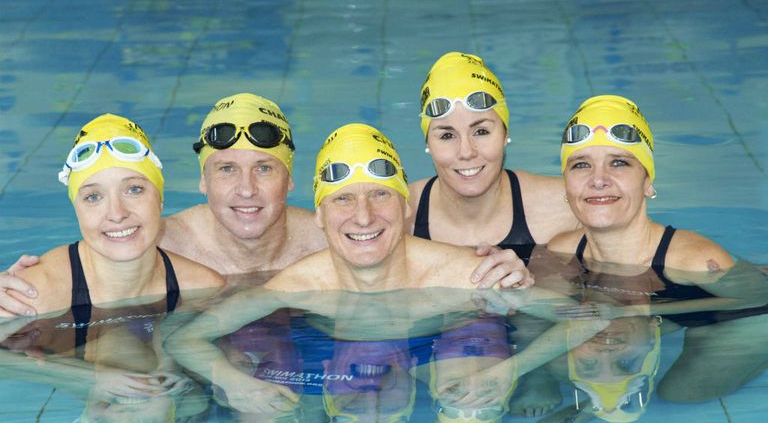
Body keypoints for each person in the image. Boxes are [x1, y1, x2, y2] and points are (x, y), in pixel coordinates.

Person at [165, 123, 607, 421]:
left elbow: (591, 320)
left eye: (379, 196)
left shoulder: (463, 271)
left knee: (472, 410)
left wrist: (512, 370)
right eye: (343, 199)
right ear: (319, 216)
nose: (362, 217)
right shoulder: (299, 284)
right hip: (329, 353)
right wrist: (231, 382)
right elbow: (184, 337)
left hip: (450, 336)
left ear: (406, 206)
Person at [0, 93, 533, 316]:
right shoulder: (155, 238)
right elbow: (93, 250)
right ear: (201, 182)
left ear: (292, 182)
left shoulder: (336, 231)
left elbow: (415, 257)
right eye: (226, 170)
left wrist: (508, 268)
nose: (246, 189)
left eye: (264, 169)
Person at [546, 94, 768, 405]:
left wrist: (644, 310)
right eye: (581, 164)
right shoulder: (562, 251)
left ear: (647, 182)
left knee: (682, 394)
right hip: (668, 310)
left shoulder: (694, 259)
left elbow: (760, 297)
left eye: (619, 163)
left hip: (739, 313)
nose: (598, 180)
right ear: (566, 187)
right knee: (557, 367)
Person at [0, 113, 223, 417]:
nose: (116, 213)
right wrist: (88, 377)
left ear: (159, 198)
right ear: (76, 209)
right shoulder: (36, 291)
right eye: (93, 197)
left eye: (134, 189)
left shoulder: (202, 286)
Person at [410, 51, 580, 261]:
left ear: (505, 133)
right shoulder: (398, 216)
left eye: (481, 132)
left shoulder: (567, 206)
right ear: (428, 143)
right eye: (446, 135)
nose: (466, 152)